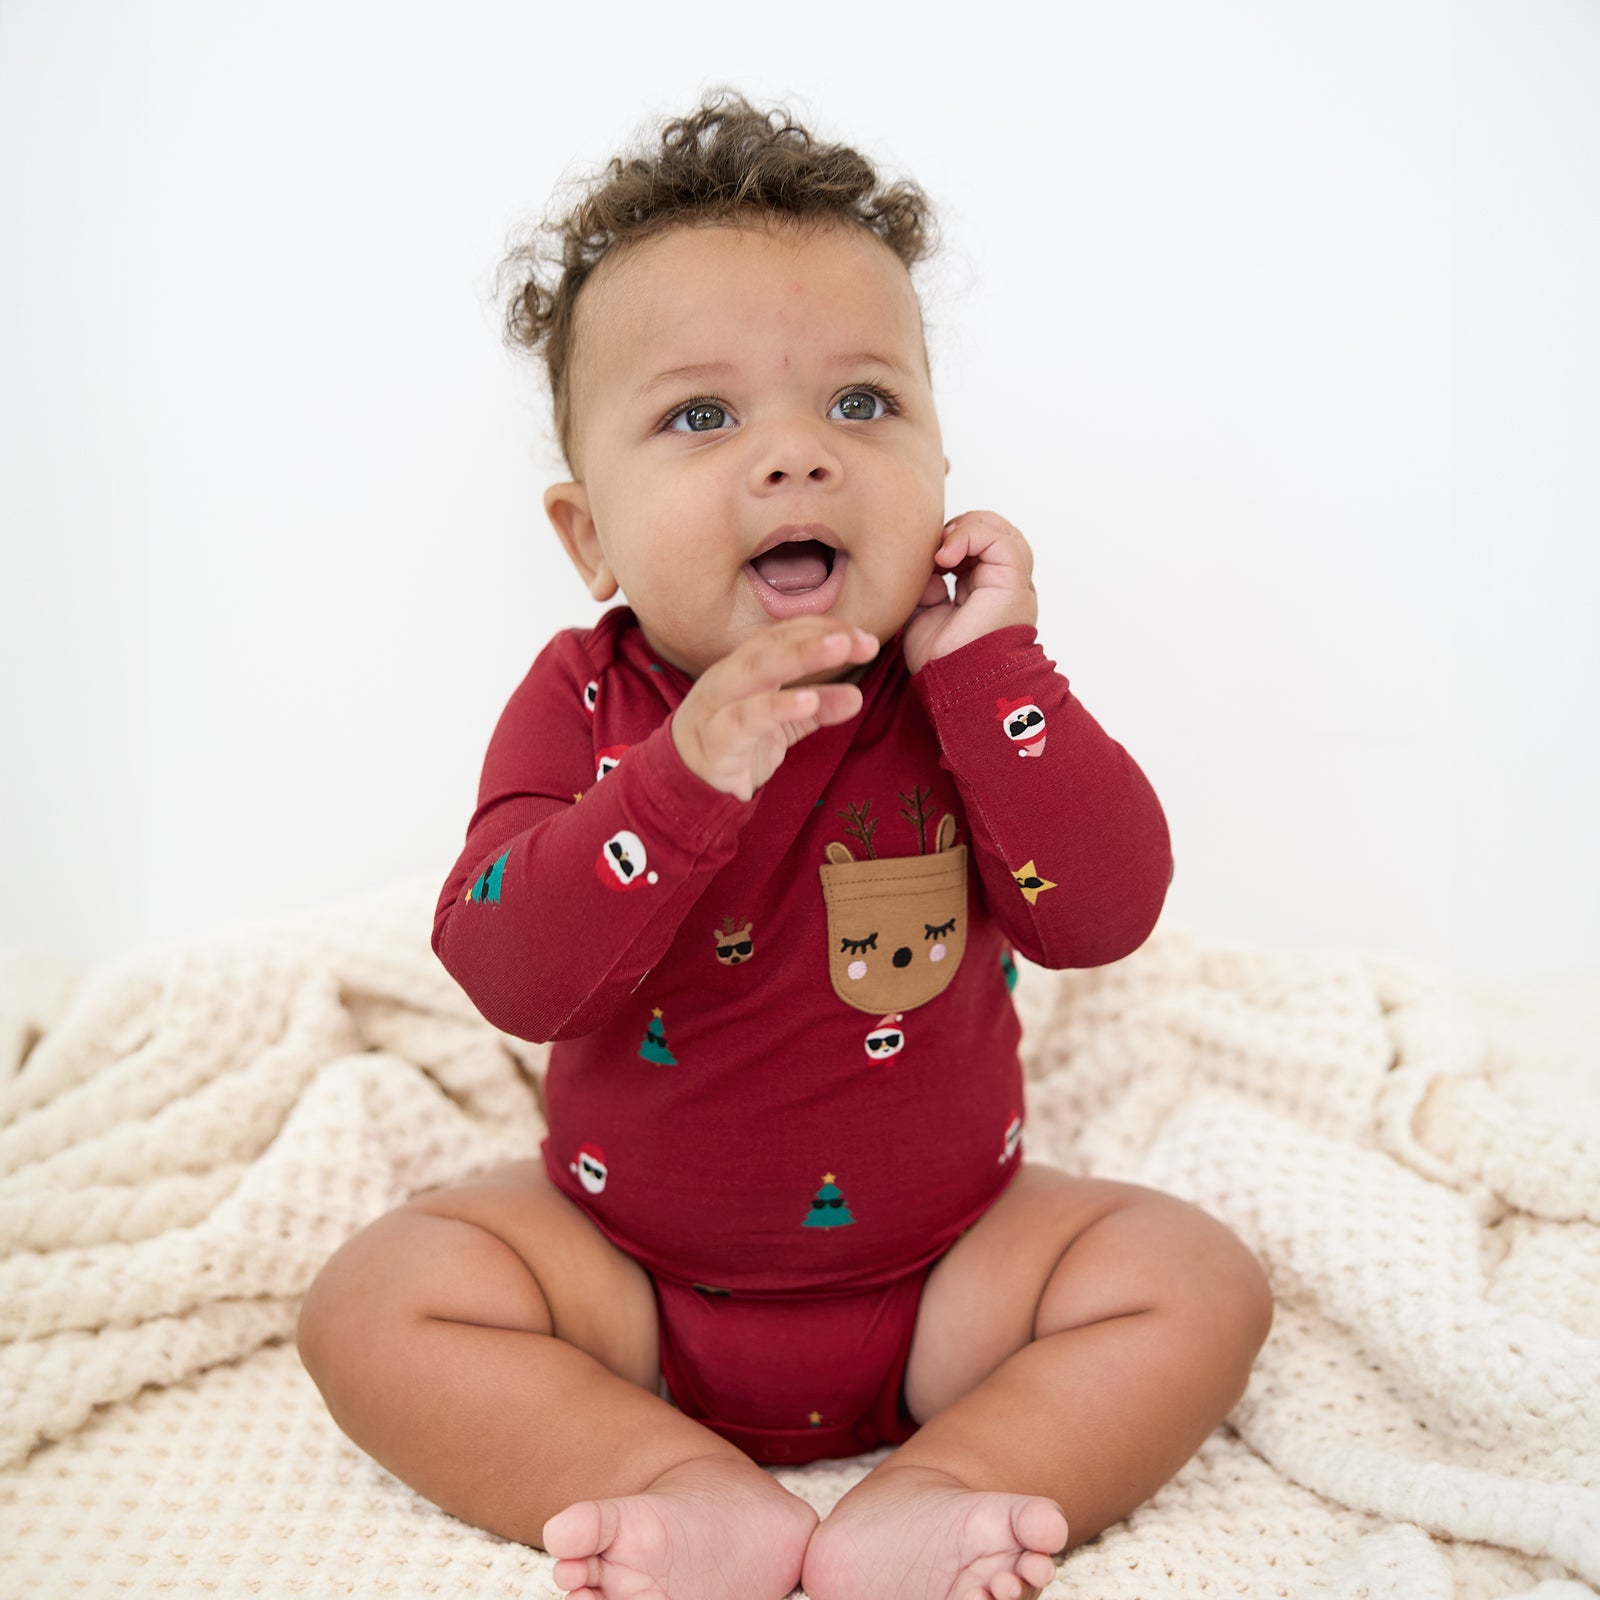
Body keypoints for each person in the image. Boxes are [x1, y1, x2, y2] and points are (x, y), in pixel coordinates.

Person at [296, 92, 1273, 1600]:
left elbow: (1105, 913)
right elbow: (507, 964)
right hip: (624, 1280)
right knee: (374, 1304)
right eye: (702, 417)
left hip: (954, 1274)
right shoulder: (586, 699)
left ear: (943, 474)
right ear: (591, 538)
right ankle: (674, 1486)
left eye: (865, 406)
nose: (800, 458)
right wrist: (679, 778)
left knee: (1194, 1281)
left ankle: (942, 1489)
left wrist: (999, 677)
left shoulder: (958, 695)